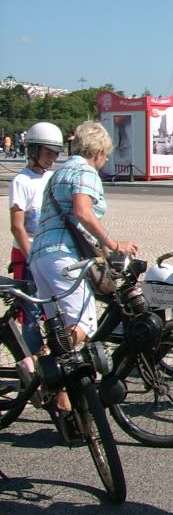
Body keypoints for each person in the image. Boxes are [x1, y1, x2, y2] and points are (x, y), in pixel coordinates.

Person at [29, 122, 139, 423]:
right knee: (83, 323)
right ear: (99, 151)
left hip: (41, 256)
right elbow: (82, 212)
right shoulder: (85, 171)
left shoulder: (59, 173)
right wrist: (114, 244)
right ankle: (41, 364)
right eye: (106, 155)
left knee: (60, 328)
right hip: (64, 257)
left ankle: (59, 394)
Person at [8, 122, 63, 353]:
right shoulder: (21, 181)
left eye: (55, 154)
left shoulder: (52, 178)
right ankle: (35, 370)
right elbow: (17, 227)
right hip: (28, 253)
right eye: (48, 152)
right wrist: (32, 258)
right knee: (30, 314)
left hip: (48, 252)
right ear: (34, 151)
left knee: (52, 310)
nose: (52, 158)